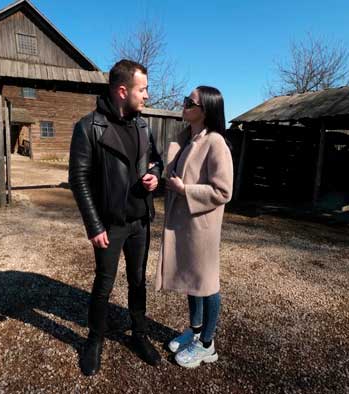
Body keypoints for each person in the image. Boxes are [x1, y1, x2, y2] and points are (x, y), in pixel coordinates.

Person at [69, 59, 164, 376]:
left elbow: (157, 162)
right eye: (143, 89)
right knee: (104, 285)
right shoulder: (88, 127)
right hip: (109, 226)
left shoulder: (142, 125)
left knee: (138, 281)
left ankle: (139, 334)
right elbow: (78, 179)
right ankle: (94, 341)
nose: (147, 95)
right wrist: (93, 225)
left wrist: (156, 176)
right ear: (123, 91)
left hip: (140, 221)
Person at [155, 86, 233, 368]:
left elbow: (224, 191)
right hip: (185, 224)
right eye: (185, 100)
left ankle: (207, 345)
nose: (184, 104)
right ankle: (195, 331)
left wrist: (185, 189)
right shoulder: (186, 138)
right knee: (191, 281)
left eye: (190, 102)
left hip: (202, 227)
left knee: (207, 283)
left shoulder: (216, 143)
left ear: (206, 110)